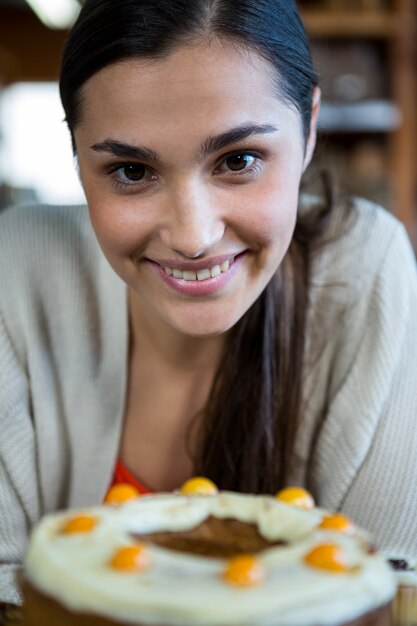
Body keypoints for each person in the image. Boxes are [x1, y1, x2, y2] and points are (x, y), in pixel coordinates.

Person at [1, 0, 417, 606]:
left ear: (309, 131)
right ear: (76, 152)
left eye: (239, 160)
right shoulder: (17, 266)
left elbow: (388, 586)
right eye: (130, 170)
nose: (193, 236)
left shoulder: (364, 266)